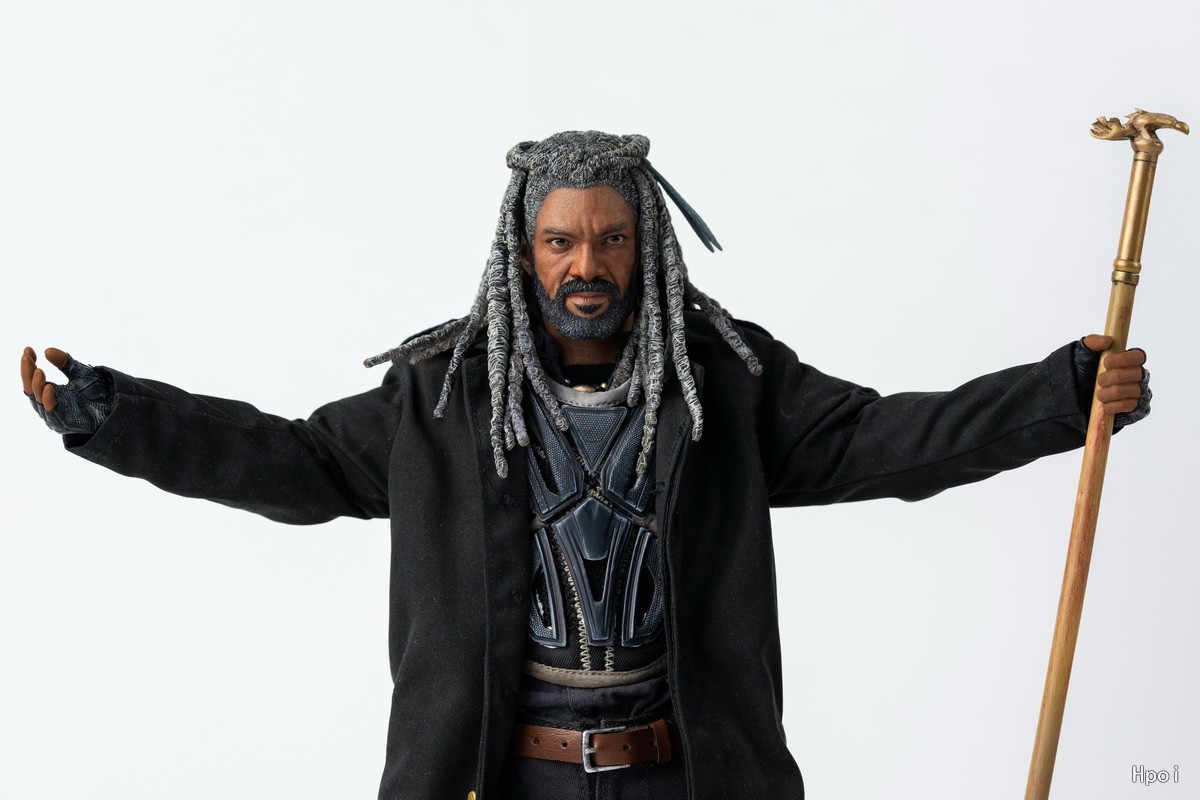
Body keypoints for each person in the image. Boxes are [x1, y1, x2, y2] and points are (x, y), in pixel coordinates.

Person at [20, 131, 1150, 800]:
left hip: (685, 773)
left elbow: (885, 439)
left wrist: (1061, 396)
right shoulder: (444, 397)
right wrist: (115, 417)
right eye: (562, 241)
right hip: (497, 772)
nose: (587, 264)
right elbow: (294, 458)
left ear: (645, 246)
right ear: (524, 252)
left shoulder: (726, 384)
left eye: (611, 238)